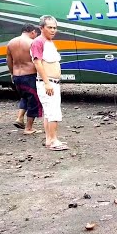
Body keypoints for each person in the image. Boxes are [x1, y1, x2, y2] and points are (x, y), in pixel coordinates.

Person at [31, 15, 68, 151]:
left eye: (55, 28)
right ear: (41, 28)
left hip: (52, 82)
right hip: (47, 82)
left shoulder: (49, 42)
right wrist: (46, 82)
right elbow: (37, 62)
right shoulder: (38, 42)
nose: (53, 30)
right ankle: (53, 140)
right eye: (50, 27)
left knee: (49, 113)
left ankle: (49, 139)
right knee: (53, 113)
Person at [6, 24, 42, 134]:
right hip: (30, 76)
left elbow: (9, 60)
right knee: (34, 101)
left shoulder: (11, 43)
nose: (36, 35)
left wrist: (12, 73)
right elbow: (38, 61)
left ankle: (20, 118)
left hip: (17, 76)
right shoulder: (32, 43)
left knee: (24, 97)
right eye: (36, 33)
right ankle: (29, 128)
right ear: (31, 32)